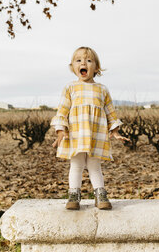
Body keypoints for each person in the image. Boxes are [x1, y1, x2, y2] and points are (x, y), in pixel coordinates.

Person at [51, 46, 129, 210]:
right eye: (78, 60)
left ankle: (100, 195)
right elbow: (62, 110)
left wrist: (115, 131)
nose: (83, 63)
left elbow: (110, 112)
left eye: (88, 60)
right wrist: (60, 131)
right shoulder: (70, 88)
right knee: (76, 165)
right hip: (76, 135)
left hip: (96, 135)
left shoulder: (102, 89)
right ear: (73, 67)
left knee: (95, 166)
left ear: (96, 68)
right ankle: (74, 195)